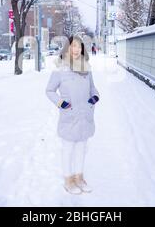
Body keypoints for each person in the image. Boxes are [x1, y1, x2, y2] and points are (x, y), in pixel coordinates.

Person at [46, 36, 100, 195]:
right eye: (73, 46)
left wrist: (94, 98)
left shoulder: (86, 68)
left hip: (85, 116)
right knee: (68, 149)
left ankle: (79, 178)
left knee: (82, 149)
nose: (76, 50)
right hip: (70, 116)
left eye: (79, 47)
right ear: (67, 48)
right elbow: (49, 90)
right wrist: (61, 103)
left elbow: (93, 89)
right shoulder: (60, 68)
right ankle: (68, 180)